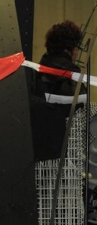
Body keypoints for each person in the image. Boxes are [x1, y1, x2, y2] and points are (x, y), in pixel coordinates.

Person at [29, 20, 85, 161]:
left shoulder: (41, 65)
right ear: (70, 48)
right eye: (77, 47)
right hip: (61, 146)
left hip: (34, 140)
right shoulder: (70, 71)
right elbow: (78, 104)